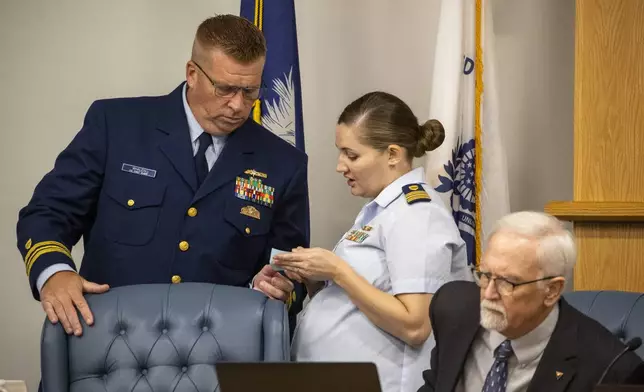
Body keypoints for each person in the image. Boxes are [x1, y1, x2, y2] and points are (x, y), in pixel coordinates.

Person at [16, 14, 309, 337]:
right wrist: (54, 273)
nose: (238, 105)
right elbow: (47, 213)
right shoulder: (117, 125)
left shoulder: (283, 163)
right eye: (225, 89)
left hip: (217, 351)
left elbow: (291, 269)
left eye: (250, 91)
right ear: (192, 74)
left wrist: (278, 287)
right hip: (108, 343)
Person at [272, 91, 469, 392]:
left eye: (352, 155)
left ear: (392, 154)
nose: (340, 166)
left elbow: (414, 324)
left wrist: (337, 270)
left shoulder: (418, 214)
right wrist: (316, 280)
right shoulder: (382, 210)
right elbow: (363, 297)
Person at [417, 211, 644, 392]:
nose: (488, 294)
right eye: (485, 275)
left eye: (508, 282)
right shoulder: (454, 310)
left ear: (551, 291)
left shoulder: (607, 367)